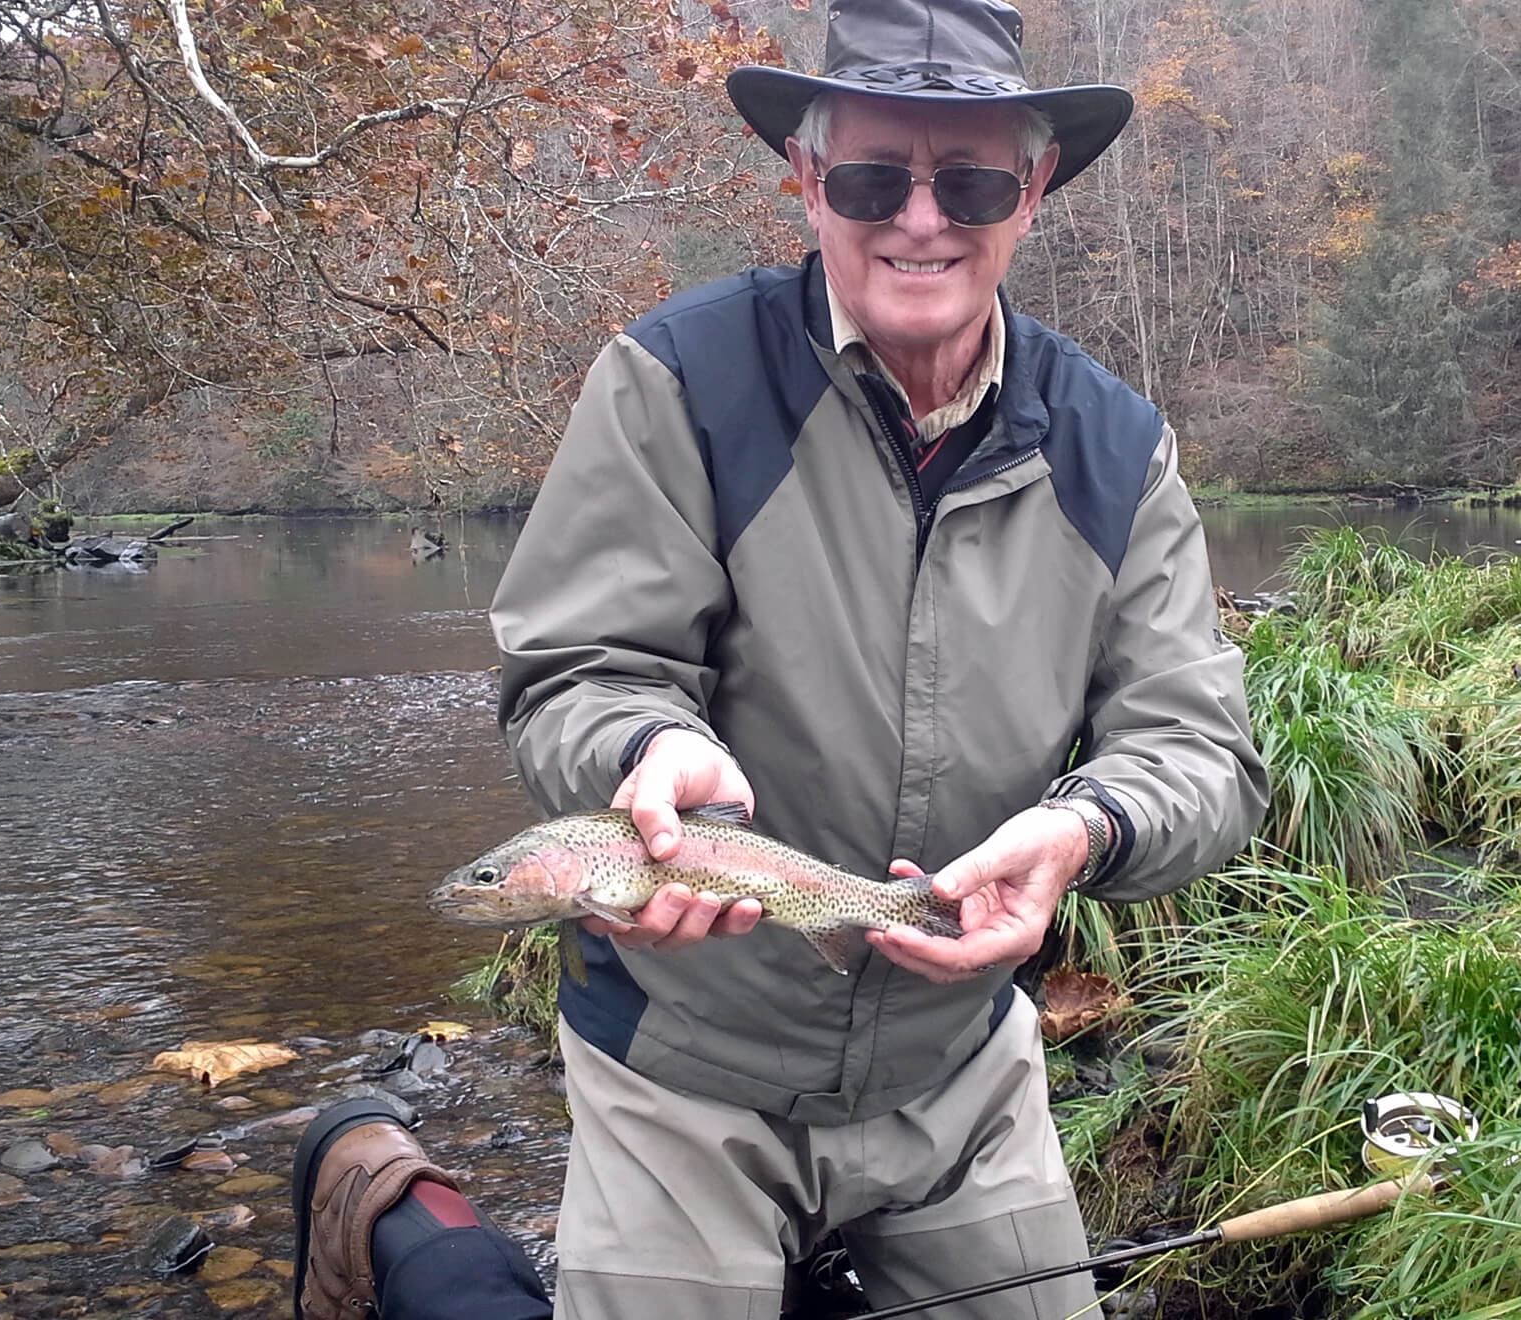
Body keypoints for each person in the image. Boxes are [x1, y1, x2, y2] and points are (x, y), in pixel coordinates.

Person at [292, 0, 1268, 1316]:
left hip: (962, 1076)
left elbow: (1200, 755)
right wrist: (650, 750)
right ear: (807, 179)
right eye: (873, 176)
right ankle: (402, 1211)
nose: (920, 220)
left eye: (971, 180)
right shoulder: (675, 380)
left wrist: (1085, 830)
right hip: (684, 1064)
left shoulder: (1116, 448)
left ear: (1030, 192)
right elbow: (579, 668)